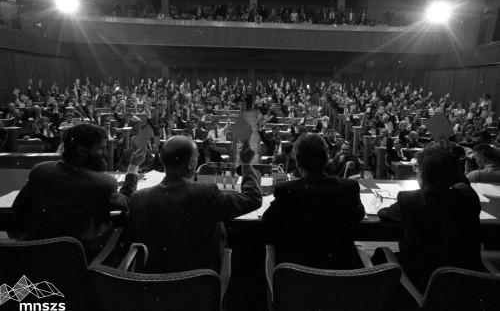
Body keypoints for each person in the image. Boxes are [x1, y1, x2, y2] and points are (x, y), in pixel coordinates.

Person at [128, 137, 262, 273]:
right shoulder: (207, 194)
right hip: (201, 283)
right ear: (191, 164)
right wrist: (246, 164)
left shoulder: (138, 198)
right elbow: (253, 198)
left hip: (153, 282)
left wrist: (133, 167)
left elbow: (126, 197)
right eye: (196, 157)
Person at [12, 124, 146, 259]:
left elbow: (18, 209)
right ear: (82, 150)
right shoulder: (102, 183)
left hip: (36, 255)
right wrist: (133, 166)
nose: (105, 153)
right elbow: (127, 201)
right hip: (82, 259)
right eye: (101, 149)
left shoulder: (40, 170)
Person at [377, 147, 486, 291]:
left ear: (423, 175)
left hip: (423, 284)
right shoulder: (468, 196)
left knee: (380, 254)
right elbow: (463, 183)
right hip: (469, 282)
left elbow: (384, 215)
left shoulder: (410, 200)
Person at [262, 134, 365, 270]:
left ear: (298, 161)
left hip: (296, 274)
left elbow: (267, 222)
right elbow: (358, 216)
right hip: (340, 275)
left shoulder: (287, 190)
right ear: (327, 159)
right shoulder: (349, 187)